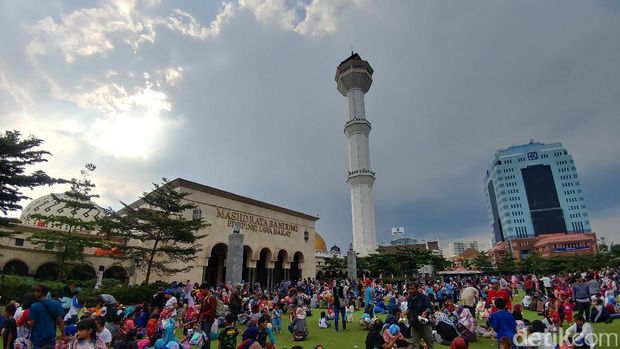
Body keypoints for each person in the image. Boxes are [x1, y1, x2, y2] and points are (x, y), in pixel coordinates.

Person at [28, 284, 67, 349]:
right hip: (51, 336)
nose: (34, 294)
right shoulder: (57, 304)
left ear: (40, 292)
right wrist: (64, 335)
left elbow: (32, 323)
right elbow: (60, 321)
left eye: (35, 292)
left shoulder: (34, 306)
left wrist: (28, 323)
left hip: (38, 337)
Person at [407, 283, 434, 349]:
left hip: (424, 325)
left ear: (417, 288)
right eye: (409, 289)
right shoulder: (410, 298)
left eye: (413, 289)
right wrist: (404, 312)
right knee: (414, 344)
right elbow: (409, 309)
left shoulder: (424, 297)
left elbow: (430, 308)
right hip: (414, 325)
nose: (411, 291)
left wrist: (426, 312)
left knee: (430, 344)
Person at [198, 284, 217, 349]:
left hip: (208, 320)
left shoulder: (212, 298)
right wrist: (198, 316)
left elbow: (213, 309)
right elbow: (202, 309)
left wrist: (204, 314)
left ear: (206, 289)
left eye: (202, 290)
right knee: (203, 335)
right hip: (204, 319)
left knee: (206, 335)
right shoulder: (204, 297)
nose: (201, 292)